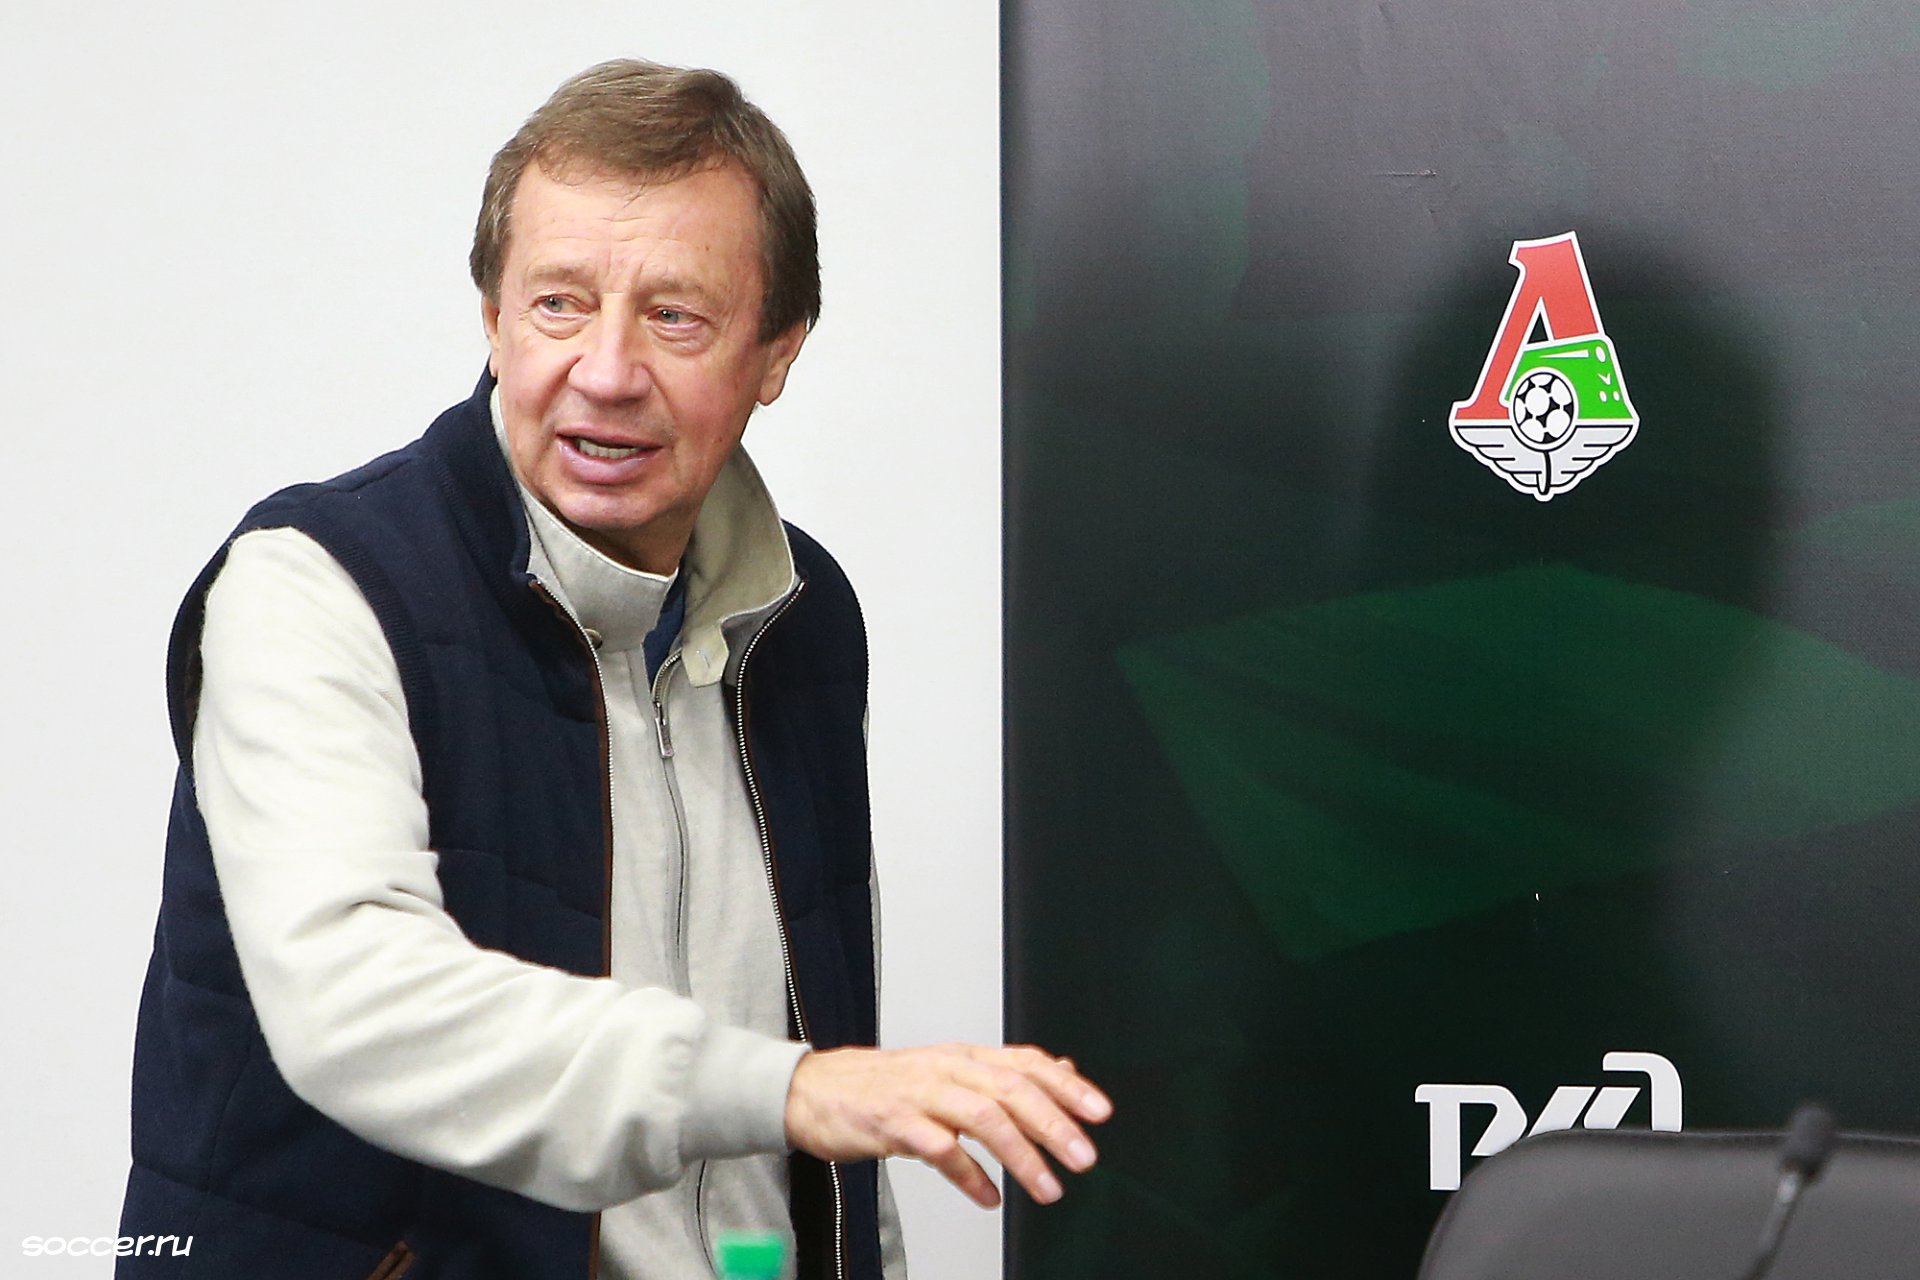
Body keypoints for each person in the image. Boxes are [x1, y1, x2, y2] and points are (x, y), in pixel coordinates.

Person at [117, 59, 1109, 1280]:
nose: (605, 369)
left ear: (778, 351)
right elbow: (355, 1002)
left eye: (675, 316)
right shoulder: (313, 586)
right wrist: (793, 1088)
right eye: (558, 304)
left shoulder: (804, 617)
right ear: (492, 319)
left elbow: (824, 1102)